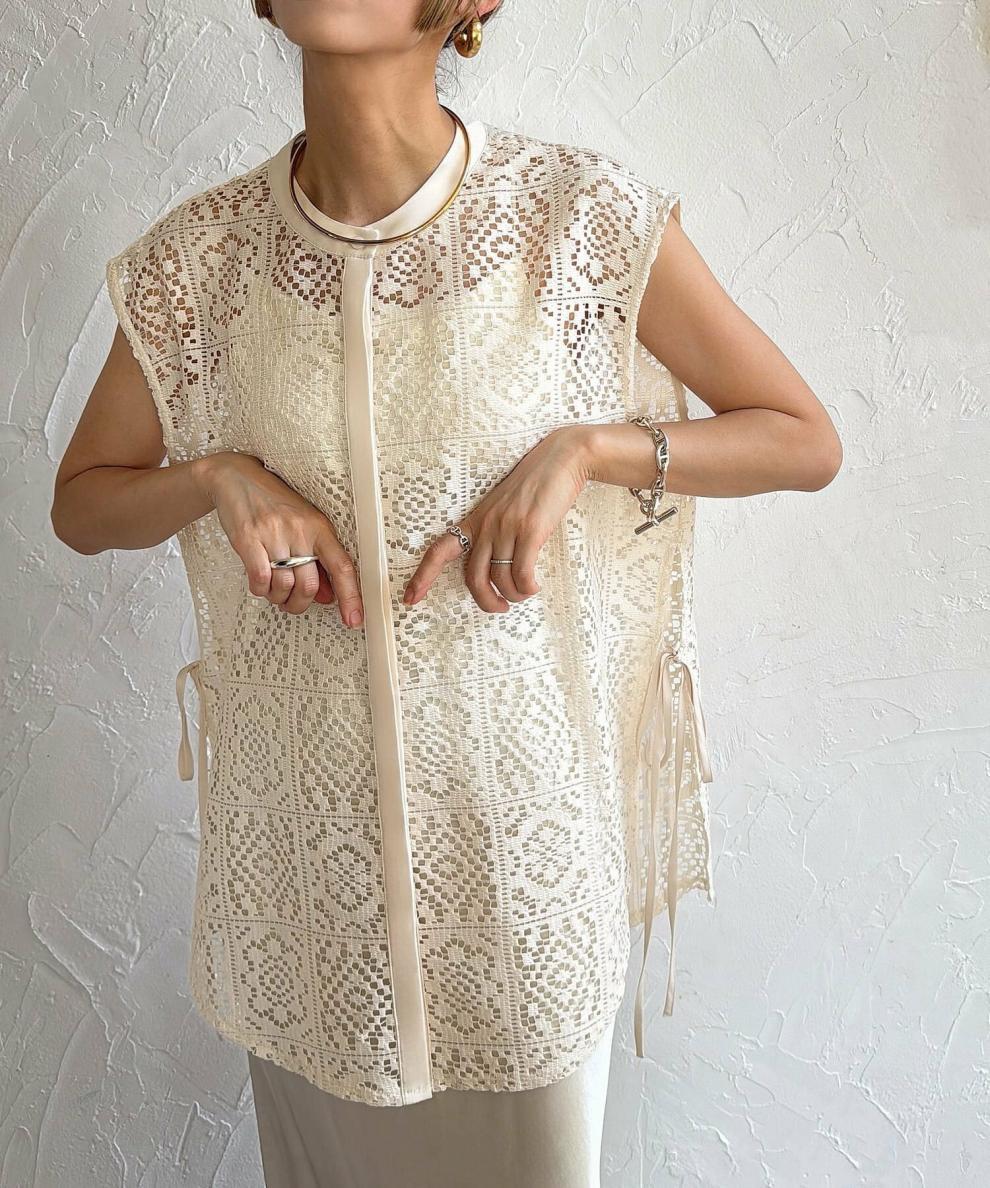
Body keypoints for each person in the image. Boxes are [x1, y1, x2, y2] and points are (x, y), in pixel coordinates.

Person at [50, 2, 843, 1185]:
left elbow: (800, 437)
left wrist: (589, 450)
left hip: (518, 885)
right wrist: (218, 478)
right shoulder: (198, 263)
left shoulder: (578, 217)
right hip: (306, 901)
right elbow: (84, 503)